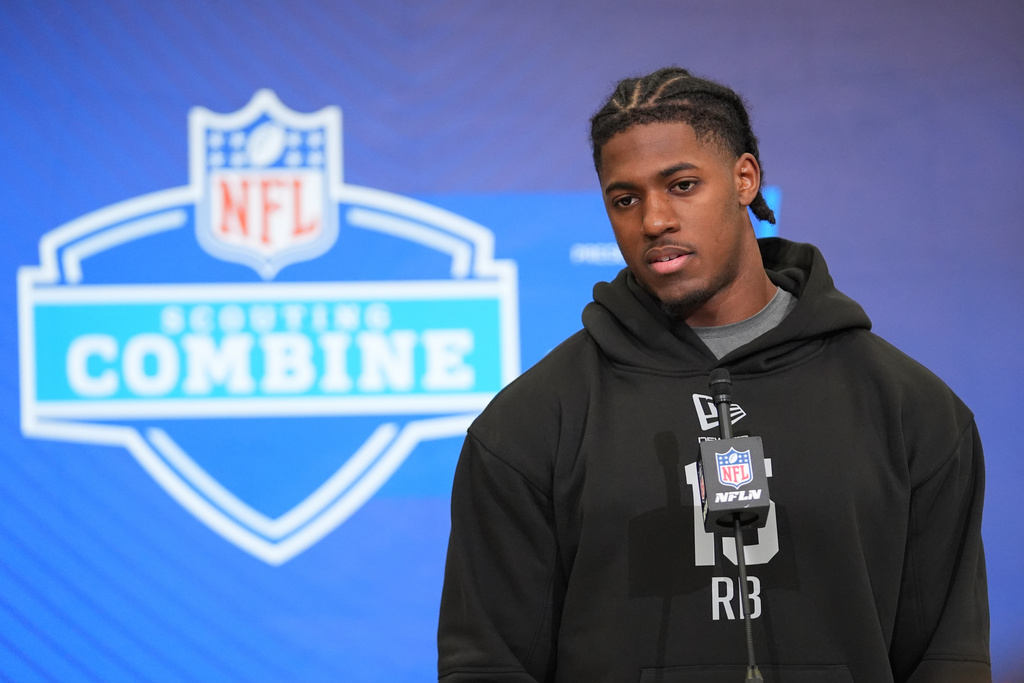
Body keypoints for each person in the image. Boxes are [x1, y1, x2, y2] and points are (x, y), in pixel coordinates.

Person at [437, 67, 990, 683]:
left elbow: (948, 659)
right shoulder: (529, 425)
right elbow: (487, 664)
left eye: (681, 185)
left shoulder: (913, 409)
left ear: (744, 179)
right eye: (625, 199)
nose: (653, 221)